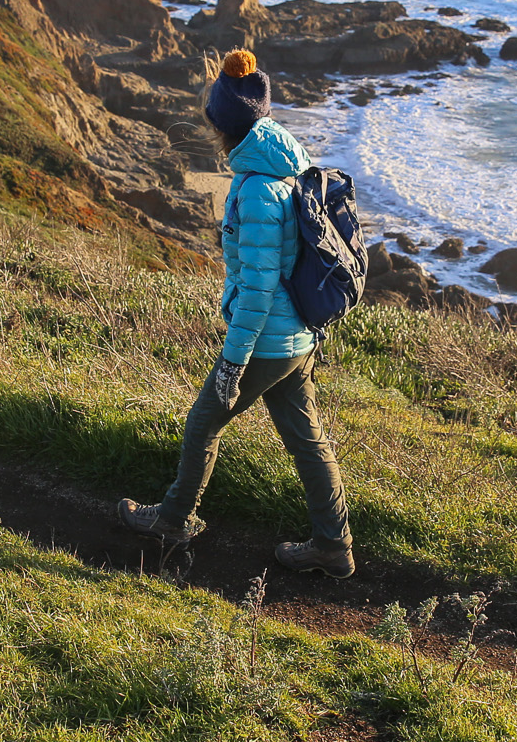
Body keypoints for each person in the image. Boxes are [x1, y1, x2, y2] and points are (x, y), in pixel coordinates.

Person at [118, 49, 355, 577]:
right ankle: (333, 546)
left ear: (223, 126)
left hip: (270, 340)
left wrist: (231, 362)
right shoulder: (287, 164)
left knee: (204, 423)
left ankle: (174, 520)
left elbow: (257, 288)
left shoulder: (254, 190)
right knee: (307, 440)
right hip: (299, 338)